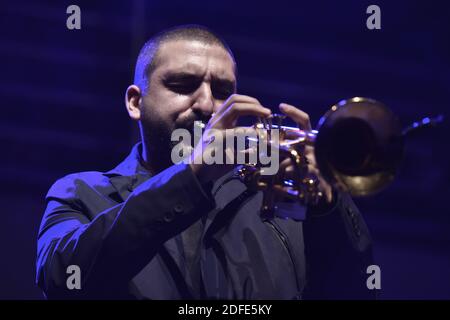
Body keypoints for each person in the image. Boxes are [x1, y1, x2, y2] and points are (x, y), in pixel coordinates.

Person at [36, 25, 375, 299]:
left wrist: (326, 208)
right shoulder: (82, 193)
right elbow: (64, 280)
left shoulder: (278, 200)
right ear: (135, 102)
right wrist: (194, 173)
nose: (207, 104)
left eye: (223, 90)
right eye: (183, 85)